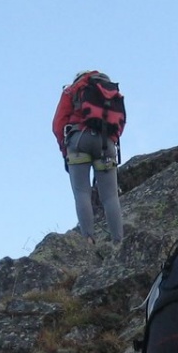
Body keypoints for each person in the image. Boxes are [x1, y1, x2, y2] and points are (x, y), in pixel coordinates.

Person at [52, 70, 126, 244]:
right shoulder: (113, 92)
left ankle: (88, 240)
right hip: (106, 144)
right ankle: (118, 242)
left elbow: (58, 124)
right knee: (110, 197)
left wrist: (65, 150)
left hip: (79, 140)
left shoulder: (72, 91)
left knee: (82, 192)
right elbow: (120, 122)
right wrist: (111, 141)